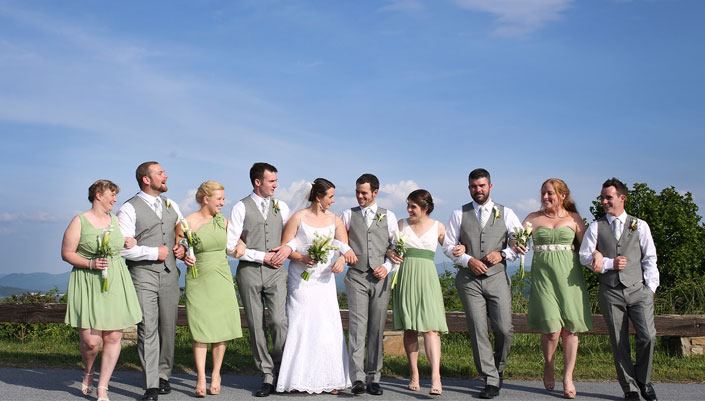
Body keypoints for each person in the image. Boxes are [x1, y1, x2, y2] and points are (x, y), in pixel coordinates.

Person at [442, 168, 522, 400]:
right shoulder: (459, 213)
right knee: (478, 330)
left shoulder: (507, 213)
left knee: (505, 329)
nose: (478, 190)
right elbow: (448, 246)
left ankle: (499, 368)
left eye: (482, 186)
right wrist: (467, 260)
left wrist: (503, 254)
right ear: (469, 188)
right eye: (473, 186)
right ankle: (490, 379)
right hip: (469, 280)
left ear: (490, 186)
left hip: (497, 277)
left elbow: (520, 243)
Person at [579, 178, 659, 401]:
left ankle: (644, 379)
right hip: (610, 291)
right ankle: (629, 388)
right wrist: (609, 263)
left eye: (608, 197)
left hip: (638, 290)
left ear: (622, 198)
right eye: (602, 198)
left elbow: (650, 258)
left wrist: (650, 289)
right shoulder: (596, 226)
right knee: (618, 341)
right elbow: (584, 256)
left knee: (648, 336)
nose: (604, 201)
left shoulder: (640, 225)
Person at [62, 179, 143, 401]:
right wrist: (90, 263)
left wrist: (128, 242)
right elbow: (67, 253)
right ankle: (88, 371)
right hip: (88, 281)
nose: (115, 199)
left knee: (114, 336)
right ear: (98, 195)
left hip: (115, 280)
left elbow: (117, 244)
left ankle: (103, 387)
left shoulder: (114, 220)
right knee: (91, 341)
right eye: (112, 194)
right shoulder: (79, 220)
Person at [275, 178, 351, 394]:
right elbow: (285, 248)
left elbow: (344, 247)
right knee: (301, 323)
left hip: (324, 279)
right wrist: (302, 257)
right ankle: (297, 378)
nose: (333, 201)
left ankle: (330, 378)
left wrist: (341, 260)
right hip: (302, 279)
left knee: (327, 325)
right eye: (331, 197)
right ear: (318, 197)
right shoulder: (298, 217)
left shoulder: (335, 220)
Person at [117, 161, 186, 401]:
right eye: (160, 173)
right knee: (147, 327)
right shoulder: (129, 208)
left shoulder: (172, 204)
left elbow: (183, 234)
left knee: (168, 327)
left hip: (170, 274)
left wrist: (182, 248)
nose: (166, 176)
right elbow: (122, 248)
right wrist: (155, 252)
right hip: (142, 275)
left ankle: (164, 375)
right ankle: (151, 384)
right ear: (146, 179)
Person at [519, 178, 592, 399]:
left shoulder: (574, 219)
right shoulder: (532, 218)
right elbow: (517, 242)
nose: (545, 197)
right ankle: (549, 364)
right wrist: (517, 243)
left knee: (570, 329)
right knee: (551, 330)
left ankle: (568, 377)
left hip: (569, 279)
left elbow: (588, 249)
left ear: (562, 195)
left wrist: (600, 257)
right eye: (543, 193)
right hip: (544, 279)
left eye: (550, 193)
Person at [226, 162, 292, 397]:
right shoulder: (240, 207)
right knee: (256, 325)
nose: (276, 185)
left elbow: (291, 237)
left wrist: (286, 250)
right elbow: (230, 246)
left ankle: (281, 370)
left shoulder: (282, 207)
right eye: (271, 181)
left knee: (278, 321)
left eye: (276, 180)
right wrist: (262, 256)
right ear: (257, 182)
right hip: (250, 272)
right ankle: (266, 374)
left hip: (277, 273)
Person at [180, 181, 242, 397]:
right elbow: (178, 247)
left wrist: (241, 246)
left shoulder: (223, 222)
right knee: (200, 329)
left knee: (220, 328)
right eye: (219, 199)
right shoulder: (187, 222)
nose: (223, 203)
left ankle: (216, 374)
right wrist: (184, 255)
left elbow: (238, 243)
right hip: (198, 279)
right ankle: (200, 377)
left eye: (224, 199)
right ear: (206, 199)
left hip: (221, 278)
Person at [340, 173, 400, 396]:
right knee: (357, 328)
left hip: (380, 278)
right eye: (357, 192)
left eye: (364, 193)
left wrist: (387, 266)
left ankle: (374, 377)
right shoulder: (348, 215)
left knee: (376, 328)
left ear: (375, 192)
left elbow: (397, 247)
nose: (359, 196)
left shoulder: (389, 216)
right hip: (356, 276)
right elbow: (339, 240)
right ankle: (357, 378)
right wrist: (345, 251)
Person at [391, 189, 448, 396]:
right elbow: (390, 248)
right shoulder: (400, 225)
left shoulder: (438, 226)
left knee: (431, 328)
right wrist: (391, 253)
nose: (409, 209)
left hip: (428, 278)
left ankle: (436, 376)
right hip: (406, 277)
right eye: (408, 205)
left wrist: (461, 250)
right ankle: (414, 373)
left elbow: (450, 249)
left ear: (425, 208)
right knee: (410, 328)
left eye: (413, 206)